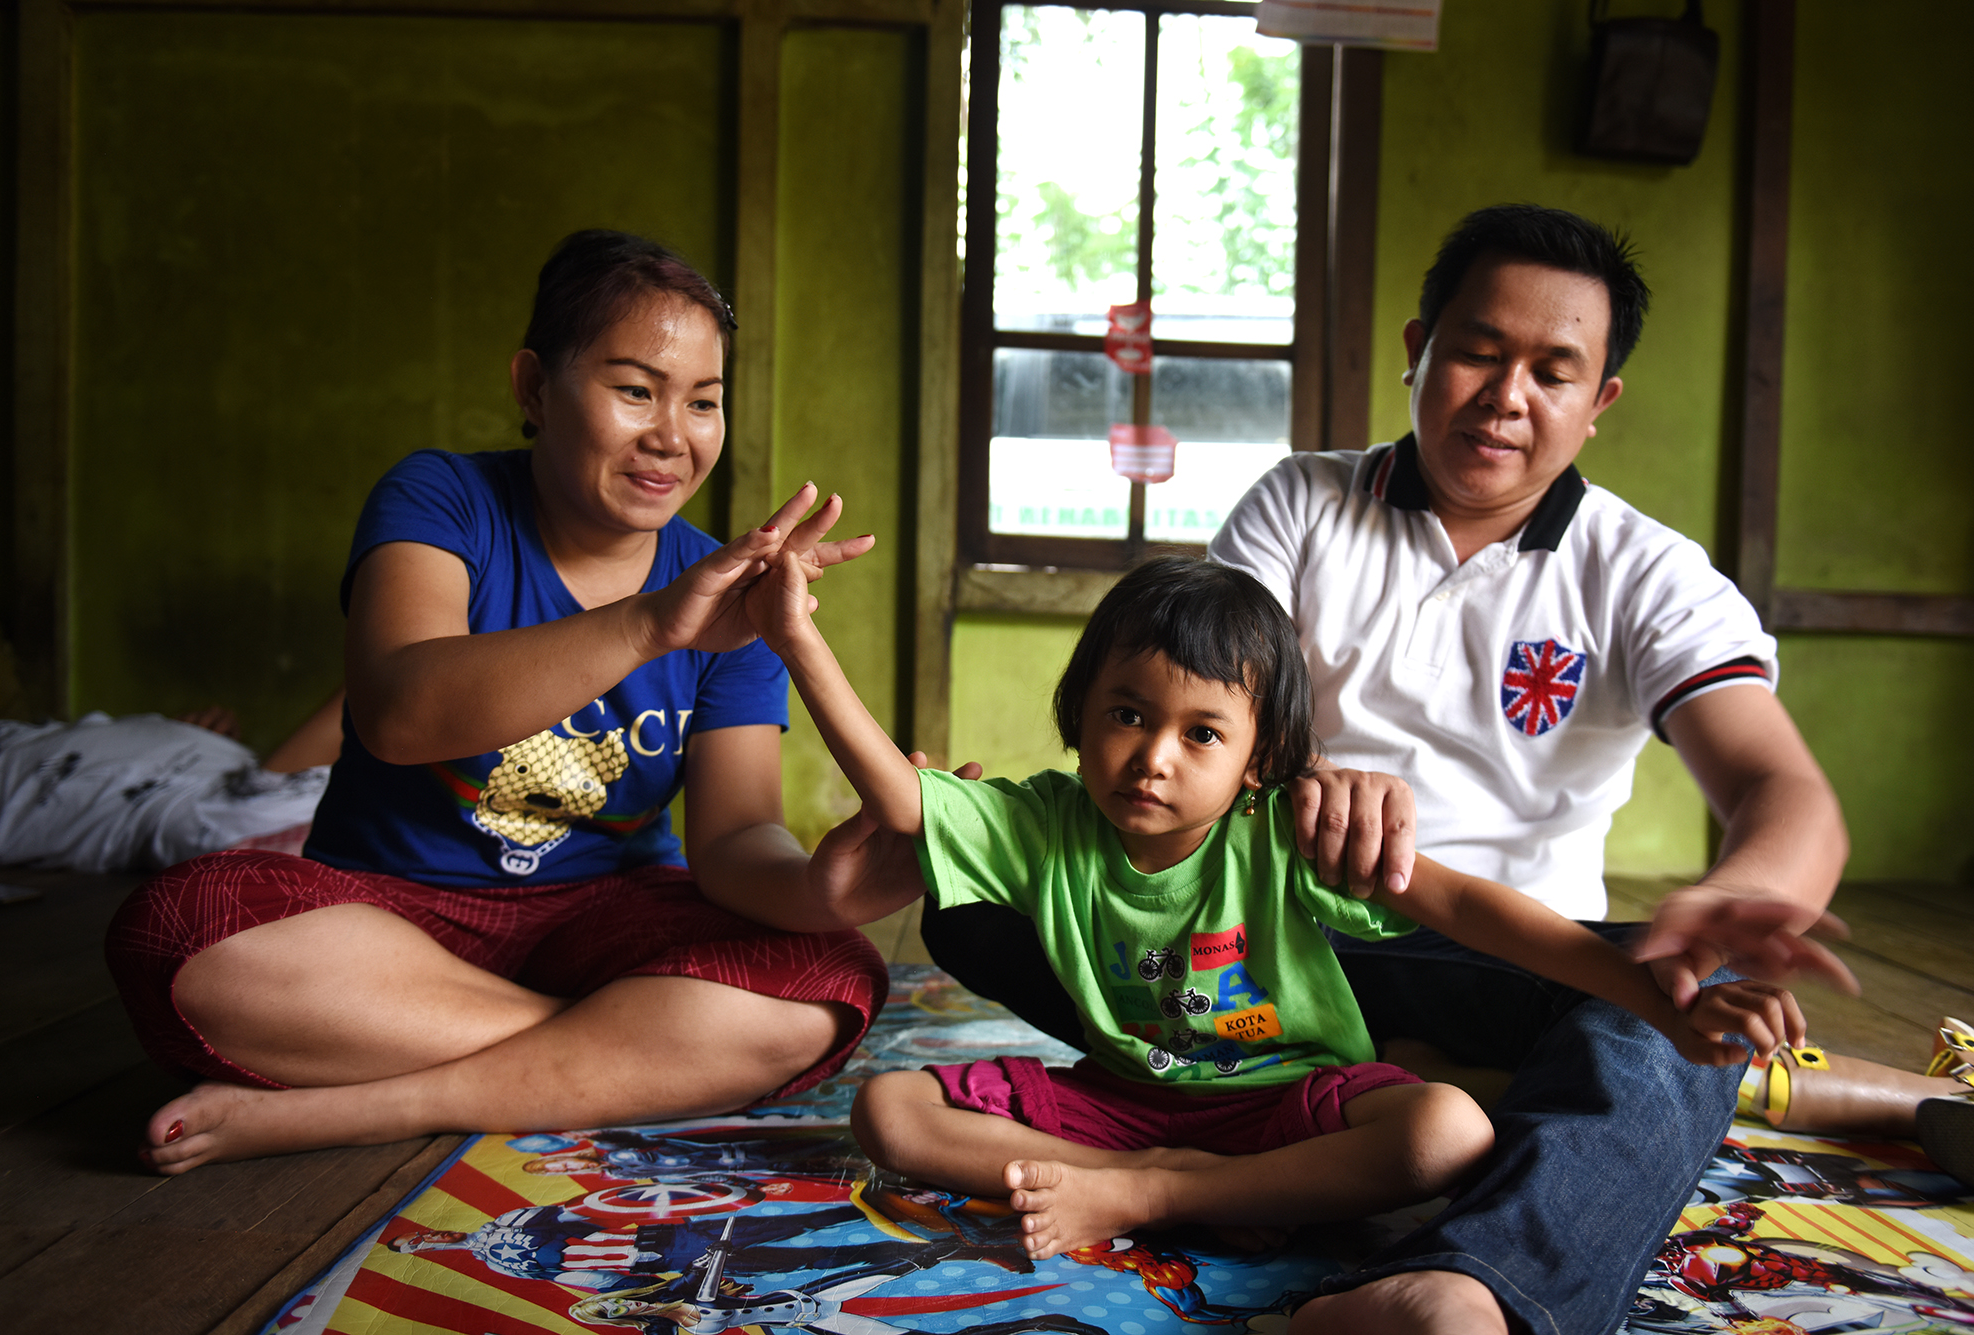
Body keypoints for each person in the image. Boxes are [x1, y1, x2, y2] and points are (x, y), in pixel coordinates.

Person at [923, 205, 1868, 1335]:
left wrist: (1741, 891)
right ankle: (1389, 1101)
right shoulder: (1300, 502)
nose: (1504, 395)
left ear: (1597, 400)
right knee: (965, 898)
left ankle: (1465, 1282)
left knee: (1678, 1005)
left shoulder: (1645, 573)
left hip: (1499, 952)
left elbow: (1782, 788)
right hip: (1260, 939)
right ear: (1417, 346)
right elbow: (1198, 695)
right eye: (1475, 350)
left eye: (1551, 370)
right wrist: (1301, 775)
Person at [106, 231, 913, 1174]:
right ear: (534, 387)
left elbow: (733, 842)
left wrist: (821, 888)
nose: (672, 436)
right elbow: (398, 714)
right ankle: (615, 1055)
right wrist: (653, 623)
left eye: (704, 401)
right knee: (178, 932)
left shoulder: (730, 589)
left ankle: (366, 1105)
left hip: (605, 917)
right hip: (390, 917)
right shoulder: (441, 498)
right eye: (635, 389)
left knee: (828, 980)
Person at [742, 553, 1802, 1263]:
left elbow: (1469, 909)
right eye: (1125, 714)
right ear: (1077, 716)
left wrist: (1642, 988)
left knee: (1442, 1130)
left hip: (1285, 1103)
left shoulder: (1283, 837)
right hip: (1122, 1103)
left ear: (1263, 761)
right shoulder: (1039, 823)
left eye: (1201, 733)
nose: (1152, 757)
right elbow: (892, 794)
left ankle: (1158, 1194)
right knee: (887, 1112)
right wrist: (794, 637)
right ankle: (1136, 1177)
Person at [0, 692, 341, 874]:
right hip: (27, 746)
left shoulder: (257, 834)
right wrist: (196, 741)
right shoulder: (303, 800)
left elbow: (374, 685)